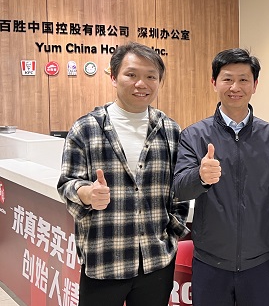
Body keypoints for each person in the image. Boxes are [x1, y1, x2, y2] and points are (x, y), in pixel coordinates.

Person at [58, 42, 187, 306]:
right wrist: (87, 193)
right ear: (114, 77)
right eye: (131, 74)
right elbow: (67, 183)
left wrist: (171, 234)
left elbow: (178, 191)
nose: (142, 84)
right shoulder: (86, 128)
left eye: (151, 76)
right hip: (104, 260)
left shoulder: (170, 130)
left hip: (156, 262)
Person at [173, 48, 269, 306]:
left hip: (260, 262)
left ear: (255, 85)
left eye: (243, 79)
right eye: (227, 79)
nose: (235, 87)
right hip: (210, 262)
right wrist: (199, 176)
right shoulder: (194, 135)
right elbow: (179, 189)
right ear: (214, 82)